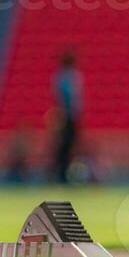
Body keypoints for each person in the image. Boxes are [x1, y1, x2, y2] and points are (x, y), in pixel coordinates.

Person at [52, 49, 83, 183]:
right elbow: (71, 101)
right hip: (68, 117)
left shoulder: (62, 77)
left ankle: (62, 174)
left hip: (66, 117)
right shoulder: (69, 77)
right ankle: (62, 175)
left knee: (65, 146)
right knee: (66, 146)